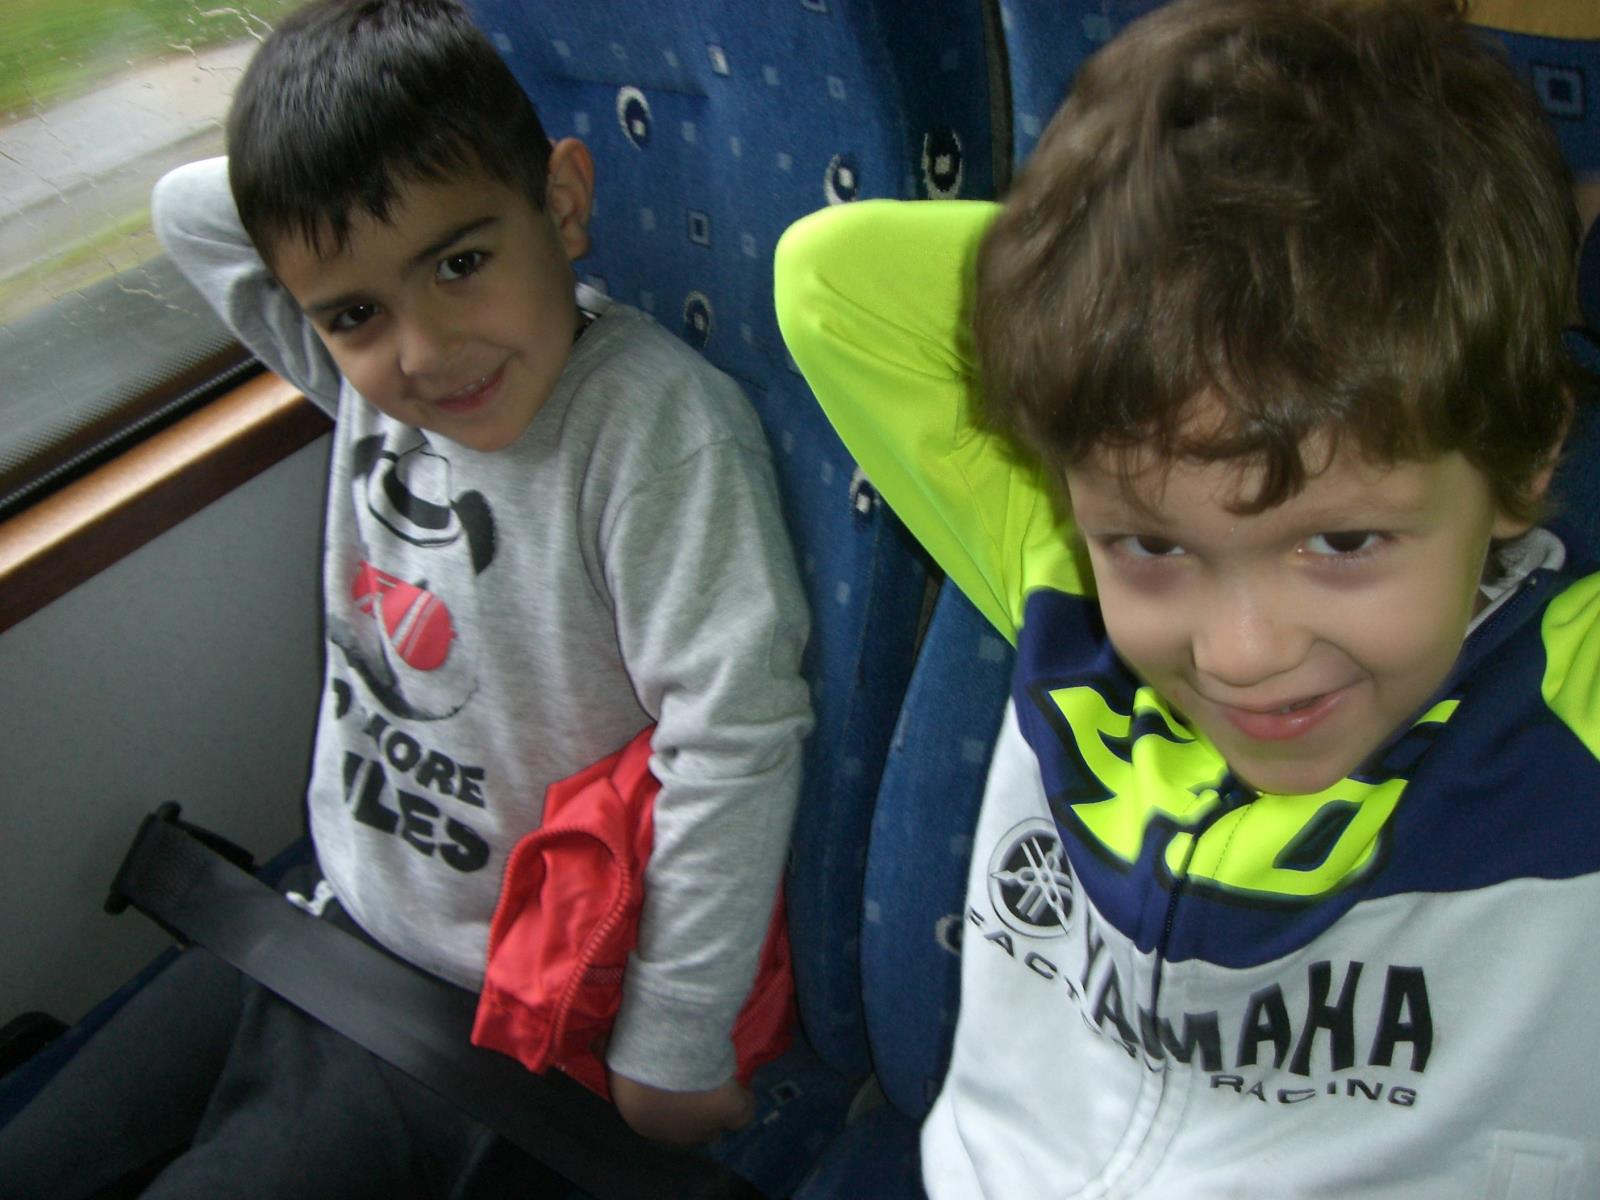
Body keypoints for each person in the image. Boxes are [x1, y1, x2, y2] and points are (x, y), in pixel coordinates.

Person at [775, 0, 1600, 1195]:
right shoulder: (1062, 573)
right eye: (1153, 546)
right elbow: (830, 278)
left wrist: (1506, 295)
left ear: (1521, 463)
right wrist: (1129, 278)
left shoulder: (1569, 700)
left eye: (1343, 540)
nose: (1240, 652)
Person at [0, 0, 810, 1194]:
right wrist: (339, 196)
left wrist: (671, 1048)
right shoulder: (372, 387)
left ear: (564, 204)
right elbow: (188, 211)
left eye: (461, 262)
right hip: (320, 914)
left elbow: (734, 735)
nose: (424, 351)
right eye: (355, 313)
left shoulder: (652, 431)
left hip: (481, 1012)